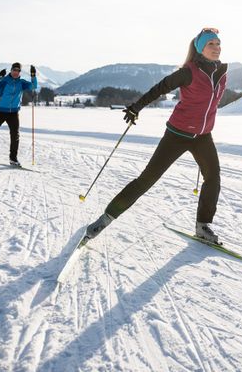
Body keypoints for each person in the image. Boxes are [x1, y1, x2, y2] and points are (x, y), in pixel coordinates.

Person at [83, 28, 227, 244]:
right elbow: (161, 88)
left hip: (203, 136)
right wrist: (136, 107)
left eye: (218, 43)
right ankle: (105, 219)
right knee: (147, 179)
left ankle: (203, 226)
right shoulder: (188, 72)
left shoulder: (221, 74)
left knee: (213, 177)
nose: (216, 48)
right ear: (200, 49)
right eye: (211, 44)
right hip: (177, 134)